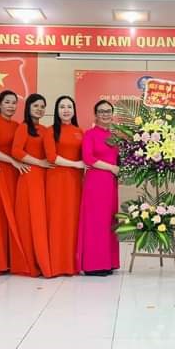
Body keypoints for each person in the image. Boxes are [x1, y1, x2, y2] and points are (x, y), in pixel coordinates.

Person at [0, 90, 30, 275]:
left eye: (14, 102)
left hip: (14, 175)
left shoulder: (18, 126)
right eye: (7, 102)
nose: (11, 106)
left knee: (12, 218)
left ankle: (11, 260)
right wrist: (12, 161)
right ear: (0, 104)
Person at [12, 94, 53, 277]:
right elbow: (16, 151)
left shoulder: (45, 129)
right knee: (32, 220)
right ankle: (32, 262)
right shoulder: (23, 128)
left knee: (42, 220)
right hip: (30, 176)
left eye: (42, 106)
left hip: (44, 177)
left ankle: (43, 259)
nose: (39, 109)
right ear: (28, 107)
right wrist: (39, 162)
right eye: (36, 105)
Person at [77, 100, 120, 276]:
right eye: (101, 111)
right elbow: (88, 158)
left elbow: (118, 158)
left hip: (111, 183)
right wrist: (111, 168)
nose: (105, 114)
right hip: (96, 182)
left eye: (108, 111)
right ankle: (94, 264)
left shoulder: (115, 136)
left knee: (109, 221)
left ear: (112, 113)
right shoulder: (90, 134)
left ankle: (108, 262)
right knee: (96, 222)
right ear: (95, 114)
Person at [46, 96, 85, 276]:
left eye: (69, 106)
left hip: (75, 182)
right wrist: (75, 164)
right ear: (57, 110)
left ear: (74, 110)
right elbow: (51, 157)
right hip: (56, 180)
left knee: (72, 220)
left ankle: (72, 263)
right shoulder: (50, 131)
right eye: (62, 107)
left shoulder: (80, 131)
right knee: (57, 219)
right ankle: (56, 263)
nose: (66, 110)